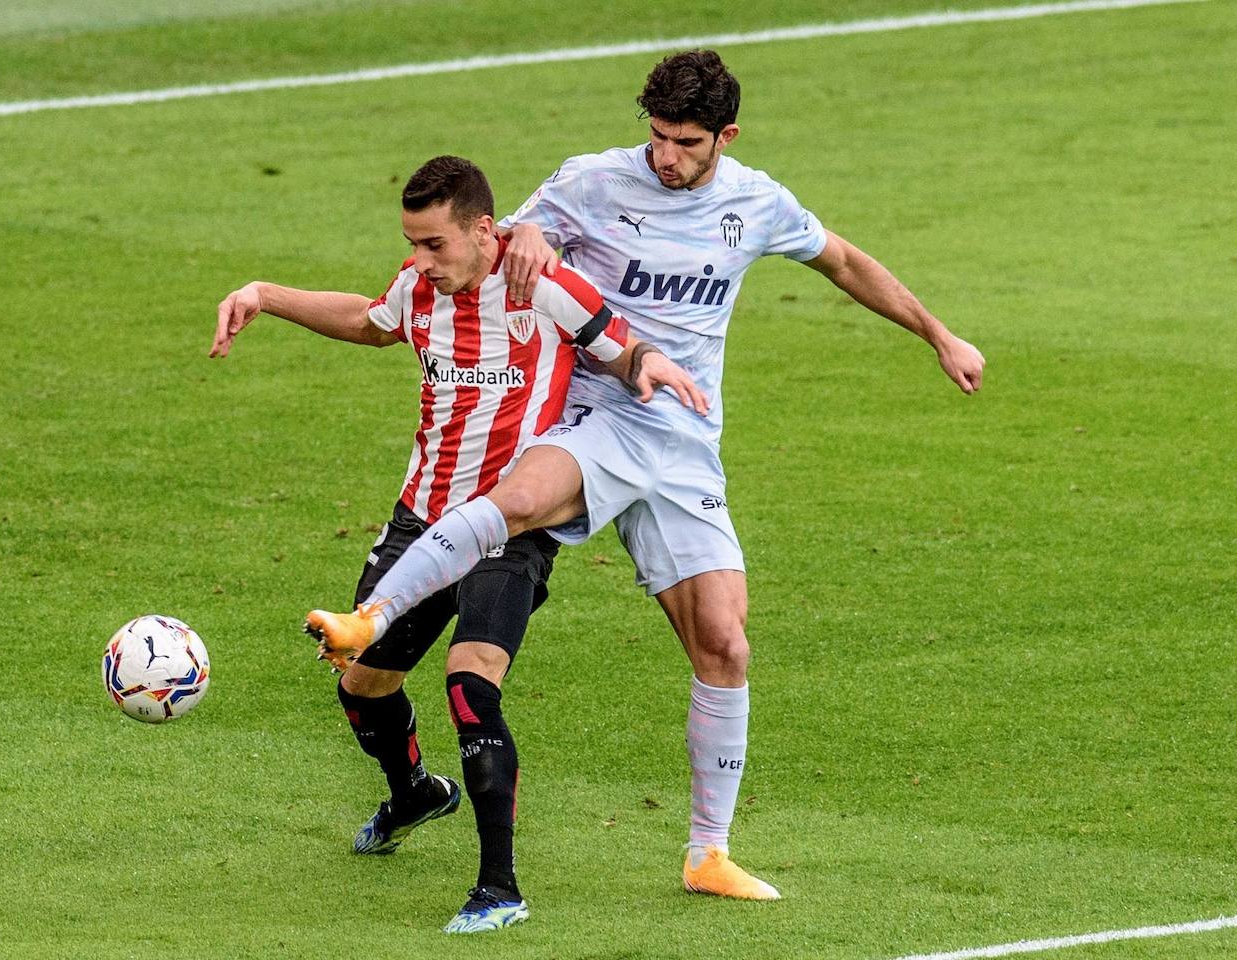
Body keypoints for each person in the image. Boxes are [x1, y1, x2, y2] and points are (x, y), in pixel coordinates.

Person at [306, 51, 987, 902]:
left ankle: (708, 854)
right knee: (510, 503)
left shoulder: (757, 203)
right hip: (599, 412)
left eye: (686, 143)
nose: (665, 156)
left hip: (685, 442)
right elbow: (498, 239)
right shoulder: (592, 181)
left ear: (724, 138)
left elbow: (844, 262)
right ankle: (370, 618)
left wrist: (940, 335)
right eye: (657, 137)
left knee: (725, 643)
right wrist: (535, 236)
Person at [210, 155, 704, 933]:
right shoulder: (418, 289)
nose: (419, 261)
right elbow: (369, 321)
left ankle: (499, 889)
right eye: (412, 243)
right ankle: (414, 794)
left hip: (512, 524)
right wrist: (264, 296)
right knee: (361, 686)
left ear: (481, 230)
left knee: (471, 687)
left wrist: (652, 367)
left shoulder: (539, 285)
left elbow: (618, 344)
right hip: (421, 517)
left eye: (434, 244)